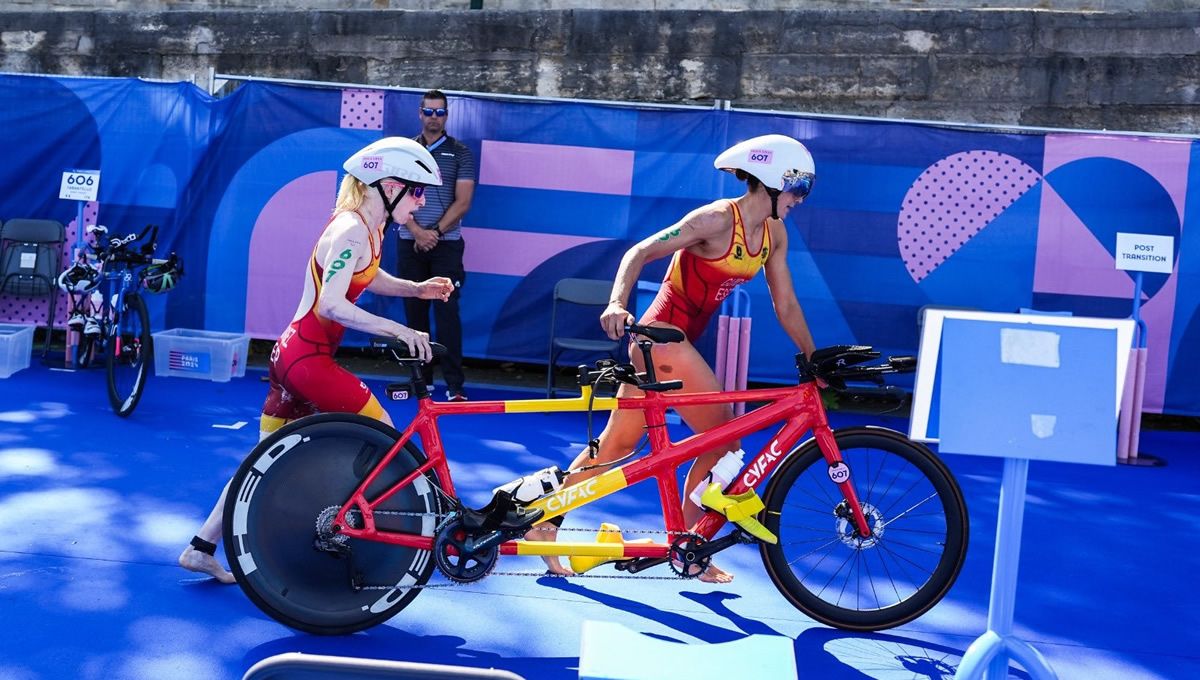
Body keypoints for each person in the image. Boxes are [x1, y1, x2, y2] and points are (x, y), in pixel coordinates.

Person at [528, 134, 818, 583]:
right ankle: (689, 548)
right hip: (660, 339)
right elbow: (638, 252)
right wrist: (616, 304)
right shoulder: (717, 219)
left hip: (668, 345)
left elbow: (787, 305)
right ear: (772, 181)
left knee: (615, 447)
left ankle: (547, 524)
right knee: (724, 439)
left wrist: (812, 357)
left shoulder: (774, 234)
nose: (802, 199)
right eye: (799, 187)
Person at [179, 137, 455, 584]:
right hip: (307, 359)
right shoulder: (350, 229)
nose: (422, 202)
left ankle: (201, 548)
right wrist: (401, 329)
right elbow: (331, 304)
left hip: (291, 356)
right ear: (388, 185)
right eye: (417, 190)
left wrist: (415, 289)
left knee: (260, 462)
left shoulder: (366, 227)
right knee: (383, 437)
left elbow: (367, 274)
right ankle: (370, 535)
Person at [397, 89, 476, 401]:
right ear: (420, 113)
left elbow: (464, 201)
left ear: (447, 115)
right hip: (409, 241)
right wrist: (417, 231)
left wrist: (434, 233)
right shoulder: (404, 150)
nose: (434, 118)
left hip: (446, 245)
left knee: (447, 314)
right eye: (428, 112)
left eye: (439, 112)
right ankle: (421, 382)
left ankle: (455, 386)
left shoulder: (460, 153)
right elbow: (394, 198)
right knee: (414, 315)